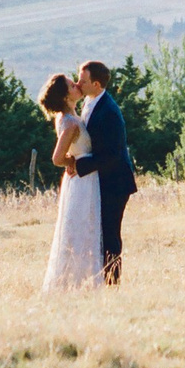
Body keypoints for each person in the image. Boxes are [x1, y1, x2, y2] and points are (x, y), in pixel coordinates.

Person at [68, 58, 137, 284]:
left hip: (115, 183)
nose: (78, 84)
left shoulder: (108, 111)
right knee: (99, 232)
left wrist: (80, 166)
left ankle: (112, 282)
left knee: (109, 233)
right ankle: (99, 278)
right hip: (101, 180)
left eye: (83, 80)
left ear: (96, 84)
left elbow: (112, 154)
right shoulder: (90, 102)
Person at [35, 72, 101, 292]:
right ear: (65, 96)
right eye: (72, 85)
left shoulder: (68, 117)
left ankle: (82, 279)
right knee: (81, 227)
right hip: (82, 180)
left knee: (81, 226)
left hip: (84, 178)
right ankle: (76, 281)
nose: (77, 85)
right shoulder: (70, 122)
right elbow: (57, 158)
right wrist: (71, 161)